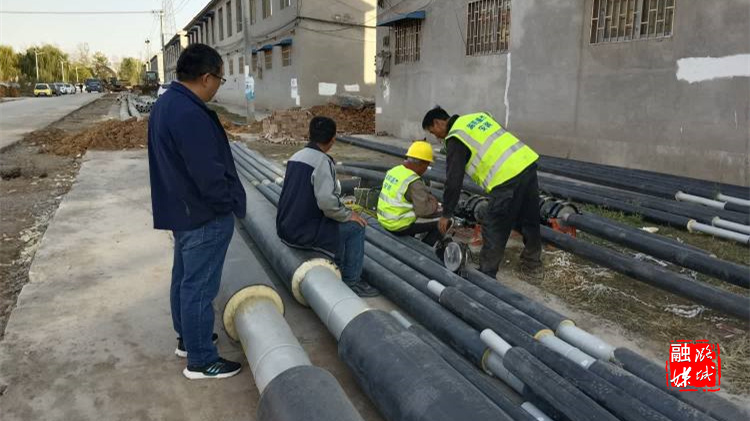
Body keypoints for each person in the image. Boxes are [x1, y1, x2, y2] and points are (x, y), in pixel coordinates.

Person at [148, 43, 245, 380]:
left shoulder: (167, 104)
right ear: (206, 78)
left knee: (185, 279)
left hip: (182, 209)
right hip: (203, 214)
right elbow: (207, 172)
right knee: (200, 287)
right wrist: (224, 205)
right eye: (220, 79)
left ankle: (188, 340)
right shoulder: (190, 113)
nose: (219, 86)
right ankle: (202, 360)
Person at [422, 106, 543, 278]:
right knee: (529, 217)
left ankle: (486, 275)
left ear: (438, 122)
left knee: (494, 225)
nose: (437, 137)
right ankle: (532, 264)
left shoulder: (456, 137)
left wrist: (447, 213)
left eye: (433, 132)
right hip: (526, 164)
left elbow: (454, 180)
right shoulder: (479, 117)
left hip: (505, 178)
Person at [276, 116, 380, 297]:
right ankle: (352, 281)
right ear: (332, 139)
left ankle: (338, 264)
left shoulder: (295, 157)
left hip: (284, 227)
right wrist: (348, 215)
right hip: (301, 234)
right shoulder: (322, 162)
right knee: (356, 227)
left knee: (338, 223)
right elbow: (327, 204)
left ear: (310, 134)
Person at [377, 140, 442, 245]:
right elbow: (423, 211)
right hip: (399, 226)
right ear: (422, 163)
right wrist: (435, 204)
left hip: (384, 220)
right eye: (427, 166)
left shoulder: (394, 170)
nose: (425, 170)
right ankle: (425, 248)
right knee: (445, 220)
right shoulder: (413, 181)